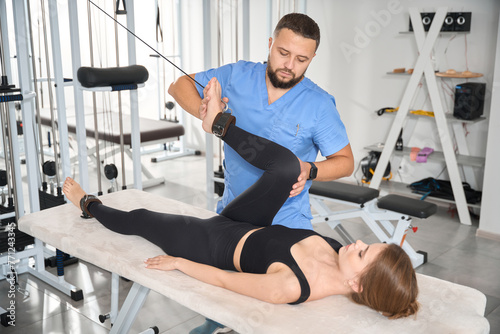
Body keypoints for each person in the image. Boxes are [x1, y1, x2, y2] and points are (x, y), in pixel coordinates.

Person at [63, 78, 419, 321]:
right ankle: (219, 123)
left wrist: (180, 264)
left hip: (216, 240)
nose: (356, 242)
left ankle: (87, 204)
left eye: (362, 252)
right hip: (252, 222)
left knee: (140, 218)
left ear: (357, 285)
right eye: (366, 244)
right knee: (287, 167)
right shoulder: (338, 258)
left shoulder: (291, 286)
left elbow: (222, 280)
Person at [170, 13, 354, 332]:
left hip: (288, 221)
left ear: (311, 59)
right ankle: (213, 326)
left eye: (301, 59)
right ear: (270, 45)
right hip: (233, 212)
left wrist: (311, 169)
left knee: (277, 315)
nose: (289, 65)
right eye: (283, 53)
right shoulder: (238, 75)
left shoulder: (319, 104)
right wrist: (206, 113)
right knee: (220, 296)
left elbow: (345, 161)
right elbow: (179, 85)